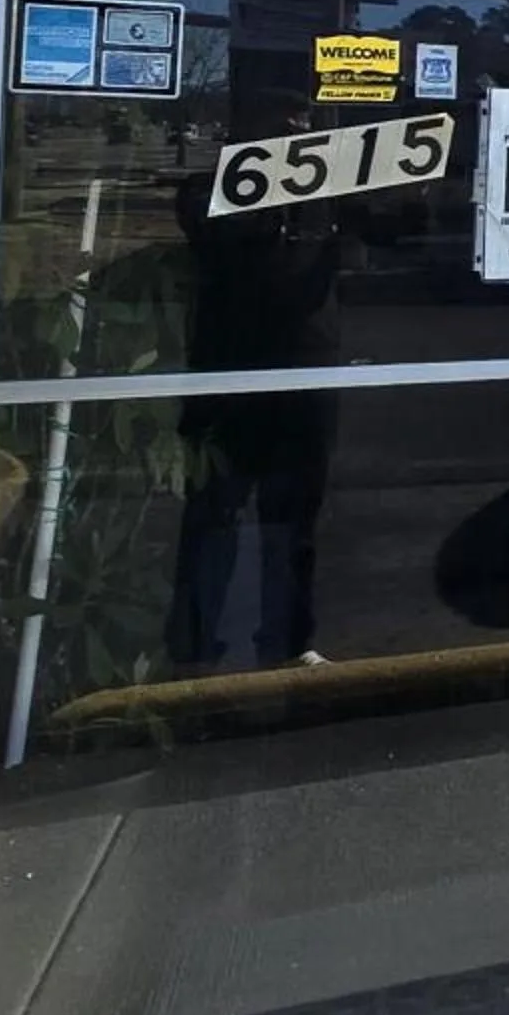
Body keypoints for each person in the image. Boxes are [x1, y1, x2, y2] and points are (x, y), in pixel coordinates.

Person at [165, 91, 343, 670]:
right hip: (228, 380)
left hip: (306, 381)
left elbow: (385, 231)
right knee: (212, 517)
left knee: (294, 521)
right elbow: (214, 234)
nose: (296, 132)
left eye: (304, 123)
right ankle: (194, 648)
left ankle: (290, 642)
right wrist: (277, 187)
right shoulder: (209, 190)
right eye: (282, 122)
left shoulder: (325, 196)